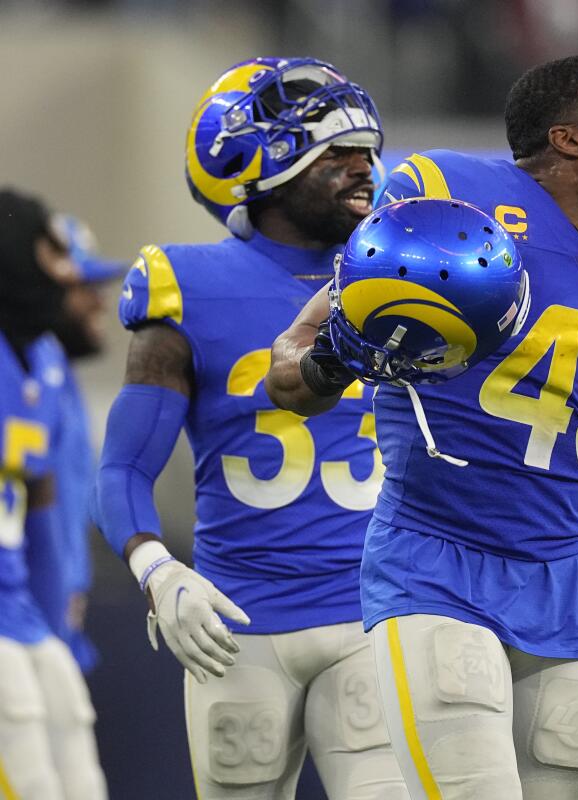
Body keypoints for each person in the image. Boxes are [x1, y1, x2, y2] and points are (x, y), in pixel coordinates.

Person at [267, 54, 578, 798]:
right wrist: (336, 358)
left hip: (570, 586)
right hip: (437, 566)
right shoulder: (447, 199)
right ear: (567, 138)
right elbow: (291, 370)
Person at [91, 58, 407, 799]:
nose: (365, 168)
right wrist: (156, 571)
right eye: (337, 152)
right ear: (256, 165)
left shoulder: (400, 275)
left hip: (377, 610)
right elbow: (124, 469)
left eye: (368, 150)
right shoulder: (187, 282)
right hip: (238, 624)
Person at [0, 187, 108, 798]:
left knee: (76, 767)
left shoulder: (39, 360)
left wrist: (52, 613)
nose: (71, 277)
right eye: (52, 253)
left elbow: (39, 500)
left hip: (20, 611)